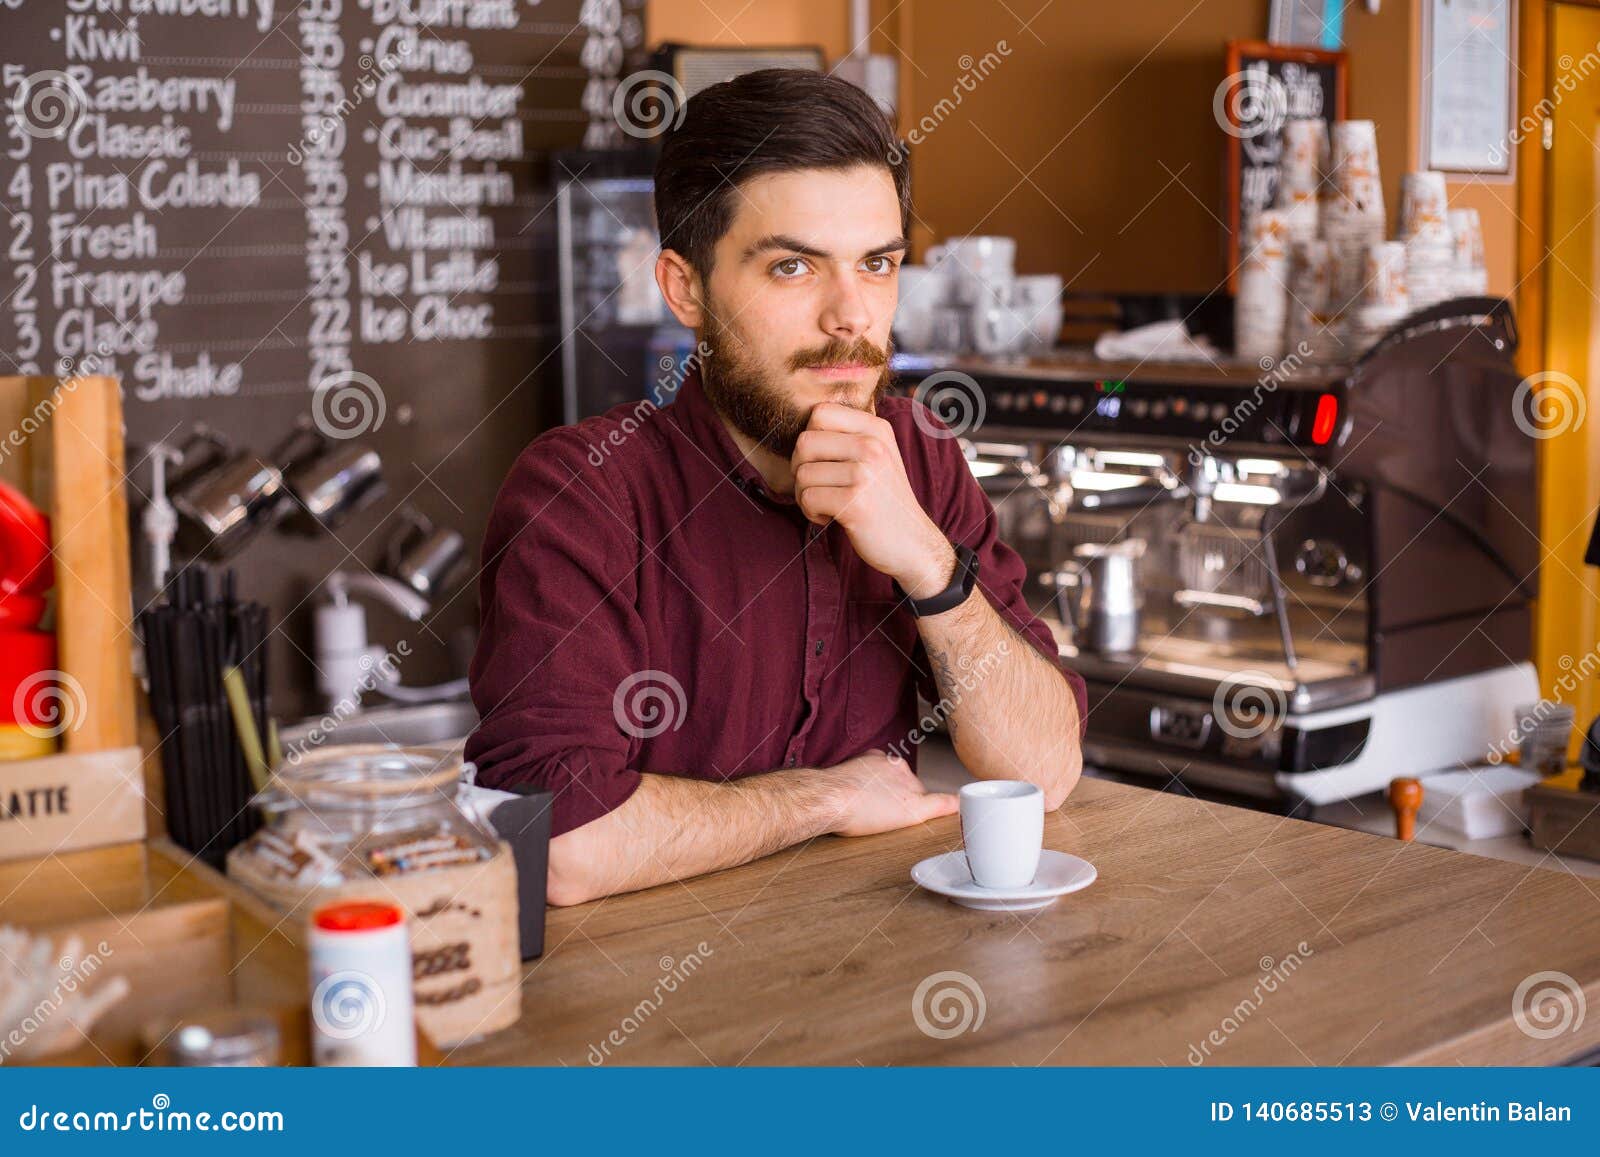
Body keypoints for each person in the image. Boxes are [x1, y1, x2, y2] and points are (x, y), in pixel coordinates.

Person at [465, 69, 1085, 906]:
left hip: (882, 991)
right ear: (686, 289)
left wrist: (931, 567)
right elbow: (561, 843)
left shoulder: (919, 456)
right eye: (793, 267)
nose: (851, 317)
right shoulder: (583, 491)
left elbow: (1045, 770)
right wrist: (823, 797)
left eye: (876, 264)